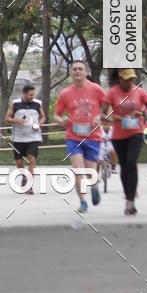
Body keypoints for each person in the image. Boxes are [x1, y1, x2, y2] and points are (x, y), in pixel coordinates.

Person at [54, 60, 106, 213]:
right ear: (70, 72)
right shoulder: (65, 93)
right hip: (73, 136)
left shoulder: (96, 89)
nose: (77, 71)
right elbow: (56, 115)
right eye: (74, 69)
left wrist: (100, 116)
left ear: (86, 72)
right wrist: (61, 121)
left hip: (93, 136)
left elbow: (108, 107)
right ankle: (83, 202)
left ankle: (94, 187)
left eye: (80, 69)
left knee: (91, 172)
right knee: (77, 170)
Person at [103, 69, 147, 215]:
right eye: (126, 79)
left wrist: (143, 113)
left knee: (131, 163)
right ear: (120, 79)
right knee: (124, 166)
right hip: (118, 135)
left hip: (136, 132)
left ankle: (131, 200)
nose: (129, 82)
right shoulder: (113, 92)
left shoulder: (140, 92)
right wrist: (114, 119)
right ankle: (128, 200)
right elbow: (102, 112)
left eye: (132, 79)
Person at [5, 83, 45, 194]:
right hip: (18, 137)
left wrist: (39, 124)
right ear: (24, 93)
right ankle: (24, 176)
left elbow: (43, 116)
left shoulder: (37, 104)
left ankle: (29, 185)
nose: (32, 97)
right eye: (30, 95)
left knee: (32, 159)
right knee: (19, 161)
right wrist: (16, 121)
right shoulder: (15, 104)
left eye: (33, 95)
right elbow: (7, 118)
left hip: (33, 137)